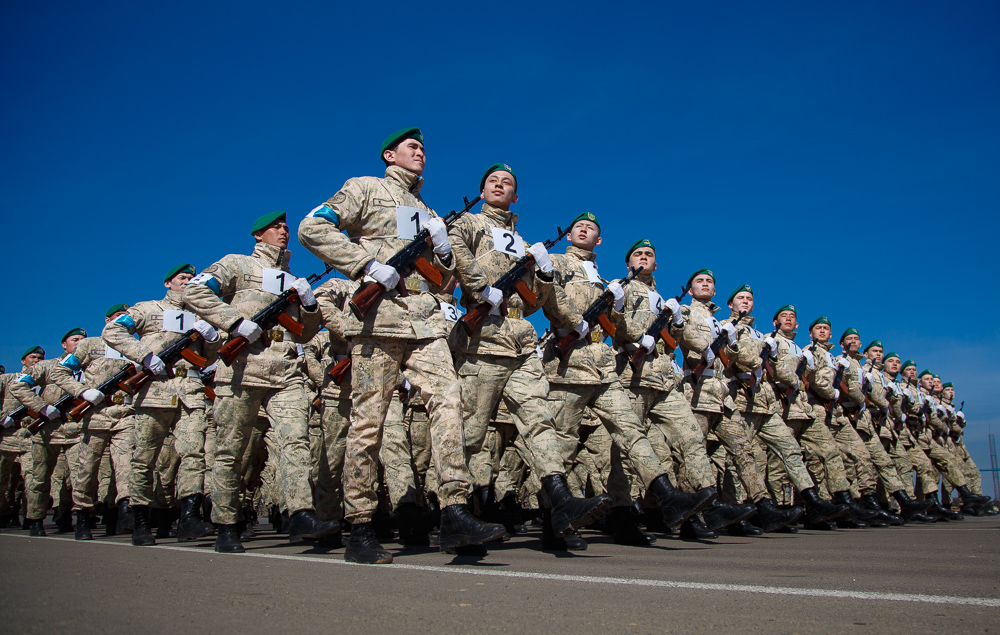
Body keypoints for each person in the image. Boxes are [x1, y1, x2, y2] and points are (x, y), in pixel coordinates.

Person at [185, 211, 339, 553]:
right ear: (258, 235)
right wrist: (234, 321)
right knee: (231, 450)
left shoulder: (294, 280)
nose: (284, 231)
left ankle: (300, 511)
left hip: (284, 372)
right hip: (241, 370)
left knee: (295, 441)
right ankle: (226, 523)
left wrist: (311, 305)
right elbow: (195, 292)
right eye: (276, 227)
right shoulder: (237, 265)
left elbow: (307, 332)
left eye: (286, 227)